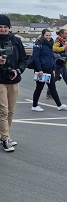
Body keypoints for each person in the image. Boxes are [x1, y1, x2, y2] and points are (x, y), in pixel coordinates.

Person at [0, 15, 27, 152]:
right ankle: (5, 139)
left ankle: (6, 135)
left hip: (14, 79)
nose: (3, 29)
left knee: (11, 110)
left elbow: (24, 59)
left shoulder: (16, 41)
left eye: (5, 27)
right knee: (3, 111)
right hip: (0, 81)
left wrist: (18, 70)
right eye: (0, 27)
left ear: (9, 28)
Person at [31, 29, 67, 112]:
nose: (48, 37)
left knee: (53, 88)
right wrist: (39, 70)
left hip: (49, 70)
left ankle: (59, 105)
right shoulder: (38, 44)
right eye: (46, 35)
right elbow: (36, 58)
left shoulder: (50, 44)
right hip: (41, 70)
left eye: (49, 35)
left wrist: (53, 68)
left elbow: (52, 57)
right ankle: (34, 105)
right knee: (39, 88)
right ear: (43, 35)